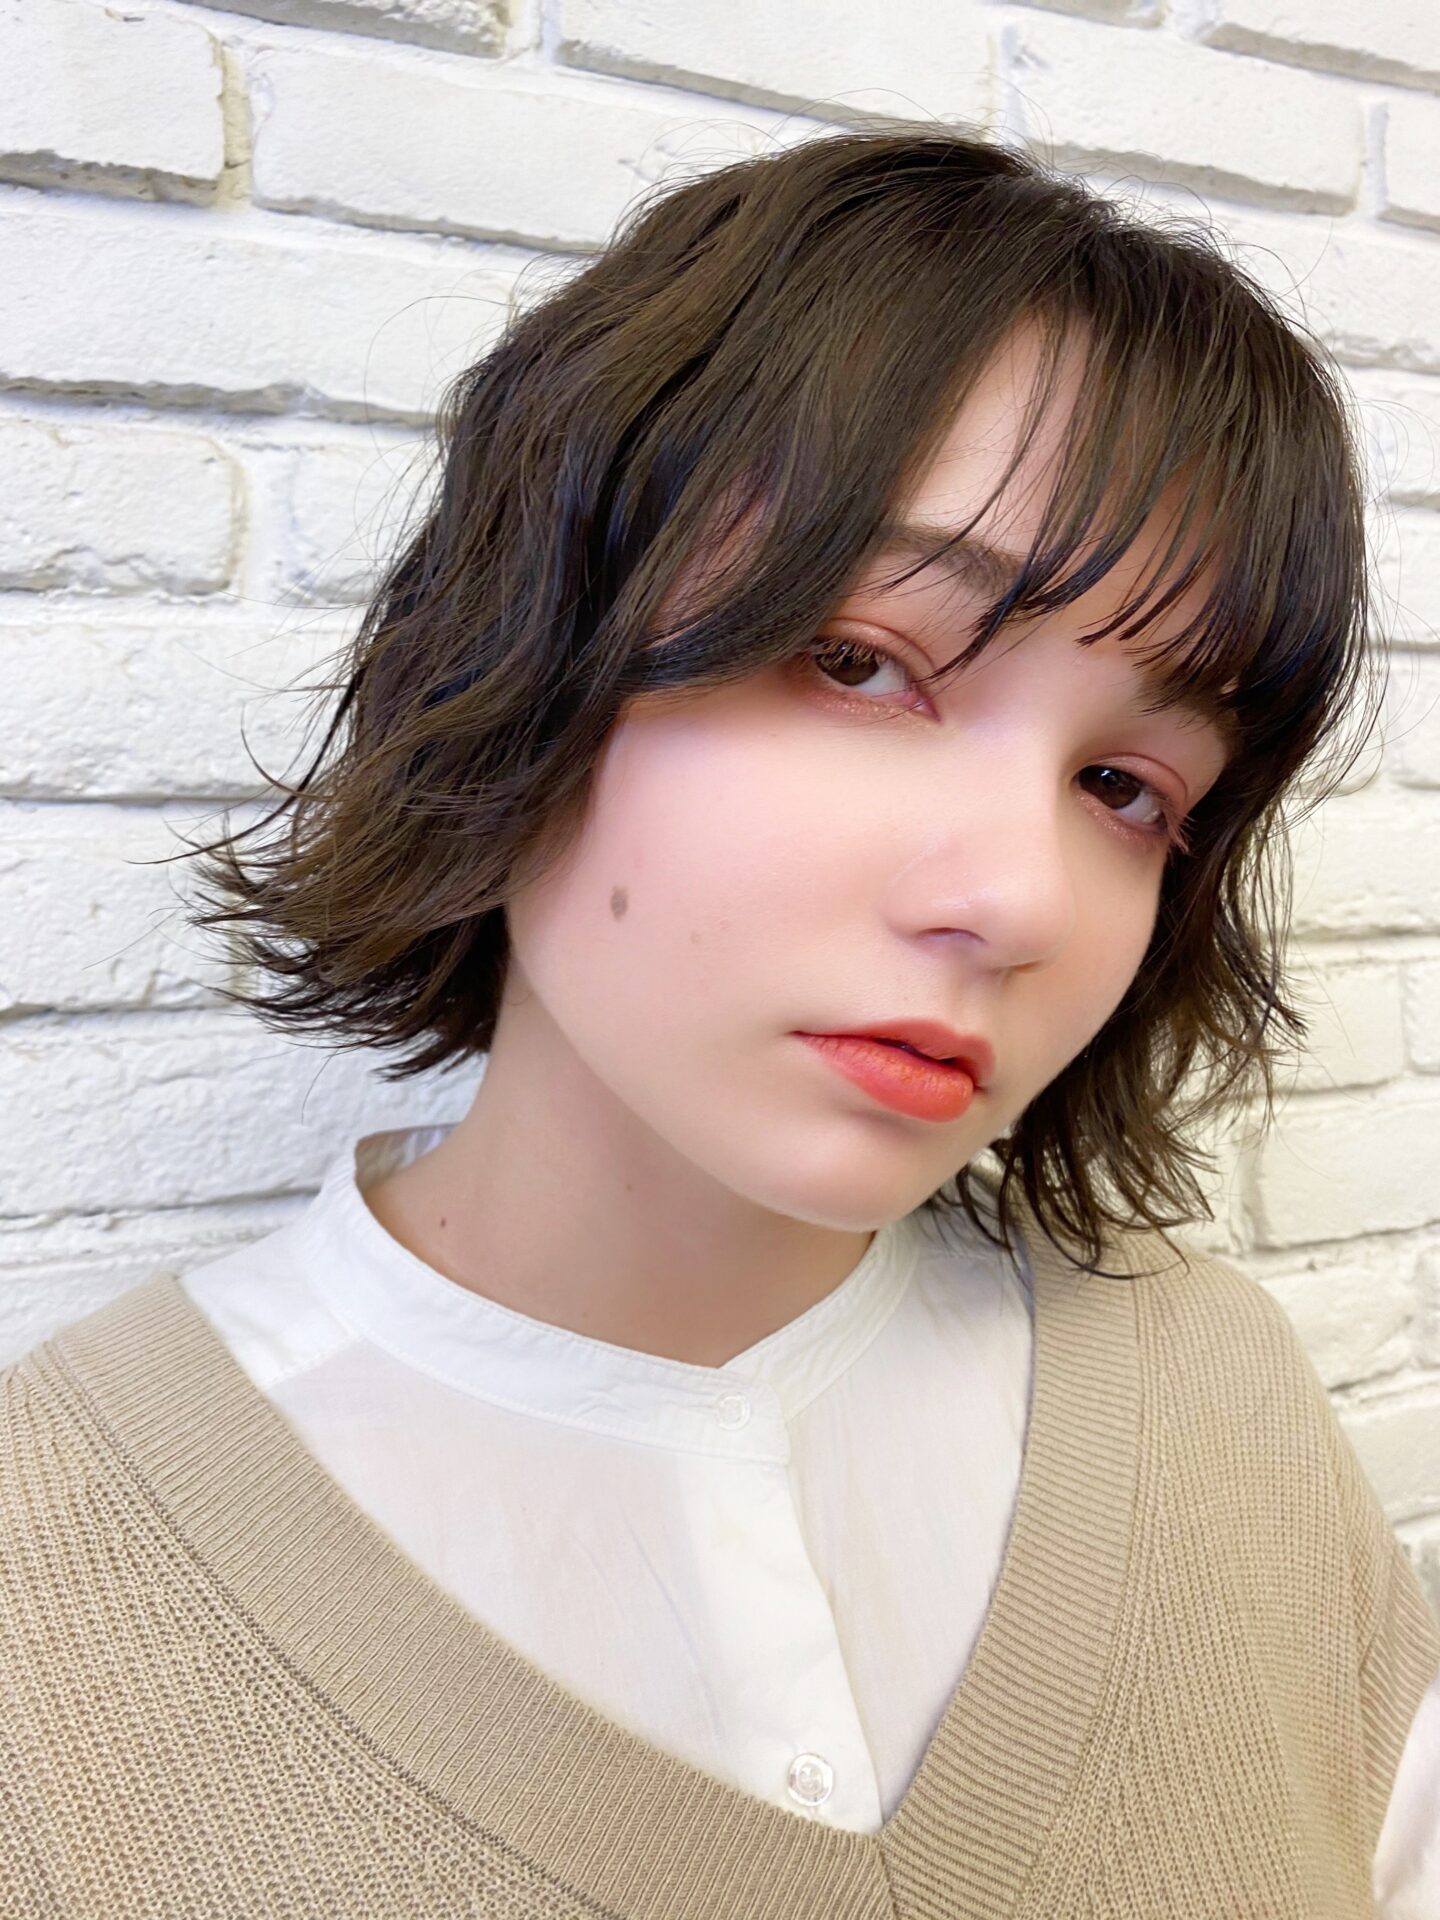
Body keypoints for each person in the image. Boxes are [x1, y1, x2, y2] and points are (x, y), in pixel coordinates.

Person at [2, 124, 1436, 1920]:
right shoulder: (52, 1578)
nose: (1019, 902)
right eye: (859, 662)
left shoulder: (1215, 1398)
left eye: (1127, 786)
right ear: (536, 634)